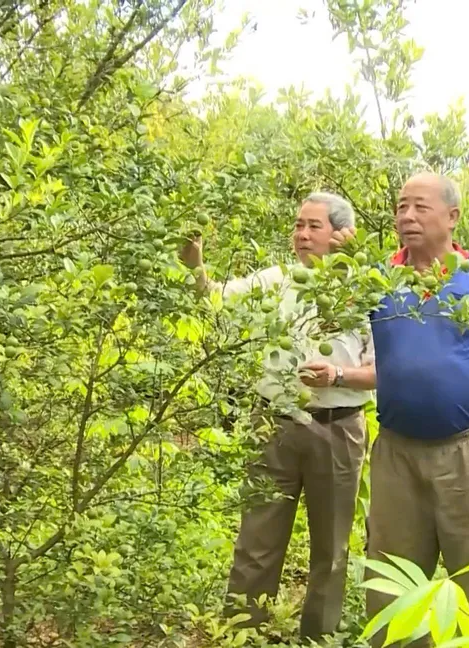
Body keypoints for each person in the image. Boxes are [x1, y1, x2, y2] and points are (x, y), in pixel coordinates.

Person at [179, 192, 376, 641]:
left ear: (341, 235)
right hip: (274, 424)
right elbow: (212, 299)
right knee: (257, 541)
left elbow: (385, 370)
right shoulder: (276, 280)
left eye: (314, 226)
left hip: (338, 427)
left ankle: (318, 637)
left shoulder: (364, 292)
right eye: (299, 225)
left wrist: (339, 374)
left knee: (331, 548)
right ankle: (242, 633)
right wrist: (195, 262)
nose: (303, 235)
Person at [363, 172, 469, 644]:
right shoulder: (379, 279)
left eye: (420, 207)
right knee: (391, 582)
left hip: (467, 452)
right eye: (401, 207)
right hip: (396, 455)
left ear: (452, 217)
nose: (407, 217)